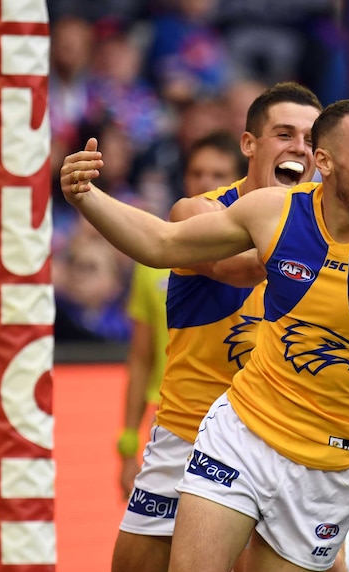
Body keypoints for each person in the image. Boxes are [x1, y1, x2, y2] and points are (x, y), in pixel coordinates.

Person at [62, 98, 349, 572]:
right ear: (326, 162)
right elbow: (161, 244)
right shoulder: (272, 213)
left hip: (328, 463)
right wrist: (86, 195)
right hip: (239, 434)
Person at [117, 131, 247, 499]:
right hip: (175, 420)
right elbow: (141, 358)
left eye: (217, 175)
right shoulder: (152, 262)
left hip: (241, 422)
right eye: (197, 173)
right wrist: (128, 443)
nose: (205, 183)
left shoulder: (260, 252)